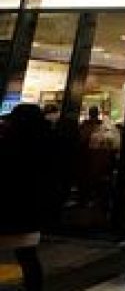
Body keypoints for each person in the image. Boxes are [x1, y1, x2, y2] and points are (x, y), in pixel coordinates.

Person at [0, 104, 56, 291]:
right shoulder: (49, 144)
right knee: (28, 256)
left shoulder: (10, 143)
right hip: (32, 212)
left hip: (8, 209)